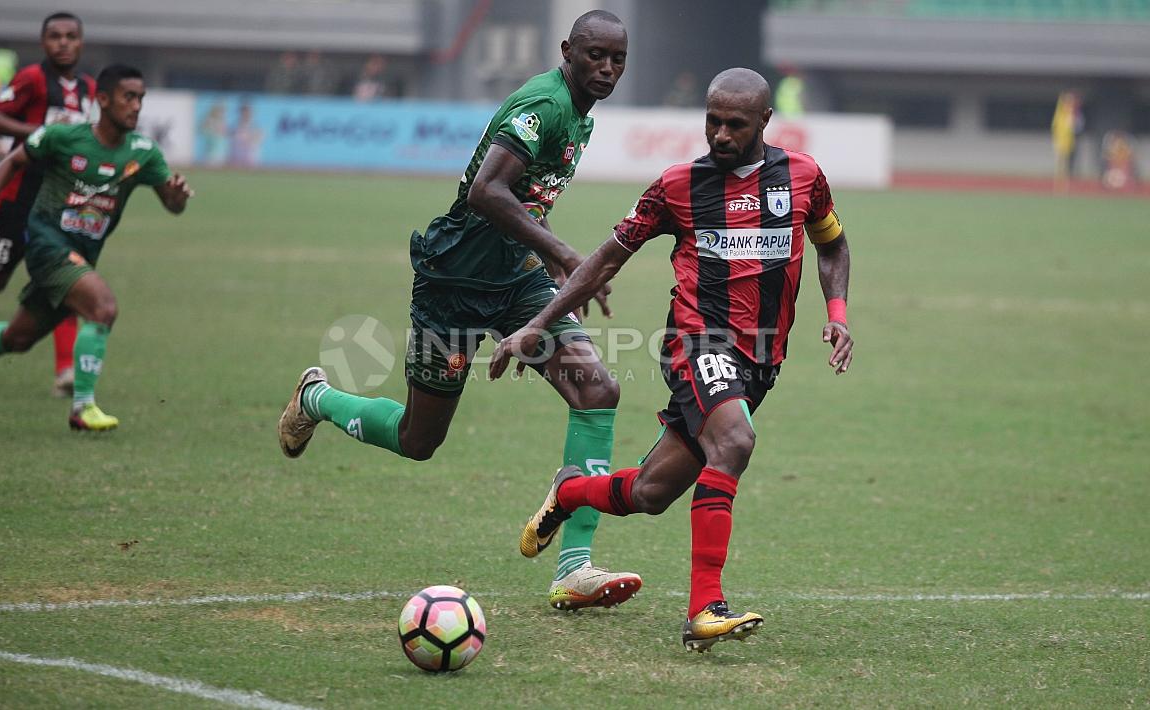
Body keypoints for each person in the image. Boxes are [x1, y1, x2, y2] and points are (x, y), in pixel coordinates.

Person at [278, 10, 642, 611]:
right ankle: (317, 399)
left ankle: (574, 570)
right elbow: (486, 191)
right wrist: (562, 252)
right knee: (419, 439)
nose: (607, 68)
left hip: (516, 280)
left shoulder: (580, 116)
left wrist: (546, 257)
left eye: (618, 59)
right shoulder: (545, 107)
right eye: (596, 55)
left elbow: (526, 198)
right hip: (452, 285)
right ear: (567, 51)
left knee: (598, 390)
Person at [490, 68, 855, 652]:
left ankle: (569, 493)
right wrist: (537, 324)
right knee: (733, 442)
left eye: (735, 124)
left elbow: (831, 243)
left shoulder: (805, 177)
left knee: (650, 495)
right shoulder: (678, 186)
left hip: (762, 362)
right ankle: (705, 609)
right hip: (697, 345)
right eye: (712, 120)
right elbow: (606, 259)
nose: (720, 133)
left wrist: (836, 312)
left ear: (765, 122)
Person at [0, 64, 193, 431]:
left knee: (16, 338)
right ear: (103, 100)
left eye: (141, 98)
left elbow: (173, 206)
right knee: (103, 307)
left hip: (81, 255)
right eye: (129, 97)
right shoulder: (63, 137)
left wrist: (177, 199)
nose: (137, 105)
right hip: (47, 245)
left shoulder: (143, 153)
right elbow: (12, 162)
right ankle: (82, 407)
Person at [0, 12, 96, 398]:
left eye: (71, 36)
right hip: (19, 202)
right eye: (55, 36)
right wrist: (45, 134)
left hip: (61, 208)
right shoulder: (31, 78)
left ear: (81, 43)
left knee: (66, 283)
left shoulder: (89, 89)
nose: (63, 43)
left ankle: (66, 373)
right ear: (43, 41)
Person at [1051, 90, 1083, 193]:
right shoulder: (1060, 113)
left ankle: (1066, 186)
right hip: (1060, 142)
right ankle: (1059, 186)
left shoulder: (1074, 114)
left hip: (1070, 142)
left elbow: (1077, 127)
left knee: (1067, 166)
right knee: (1060, 165)